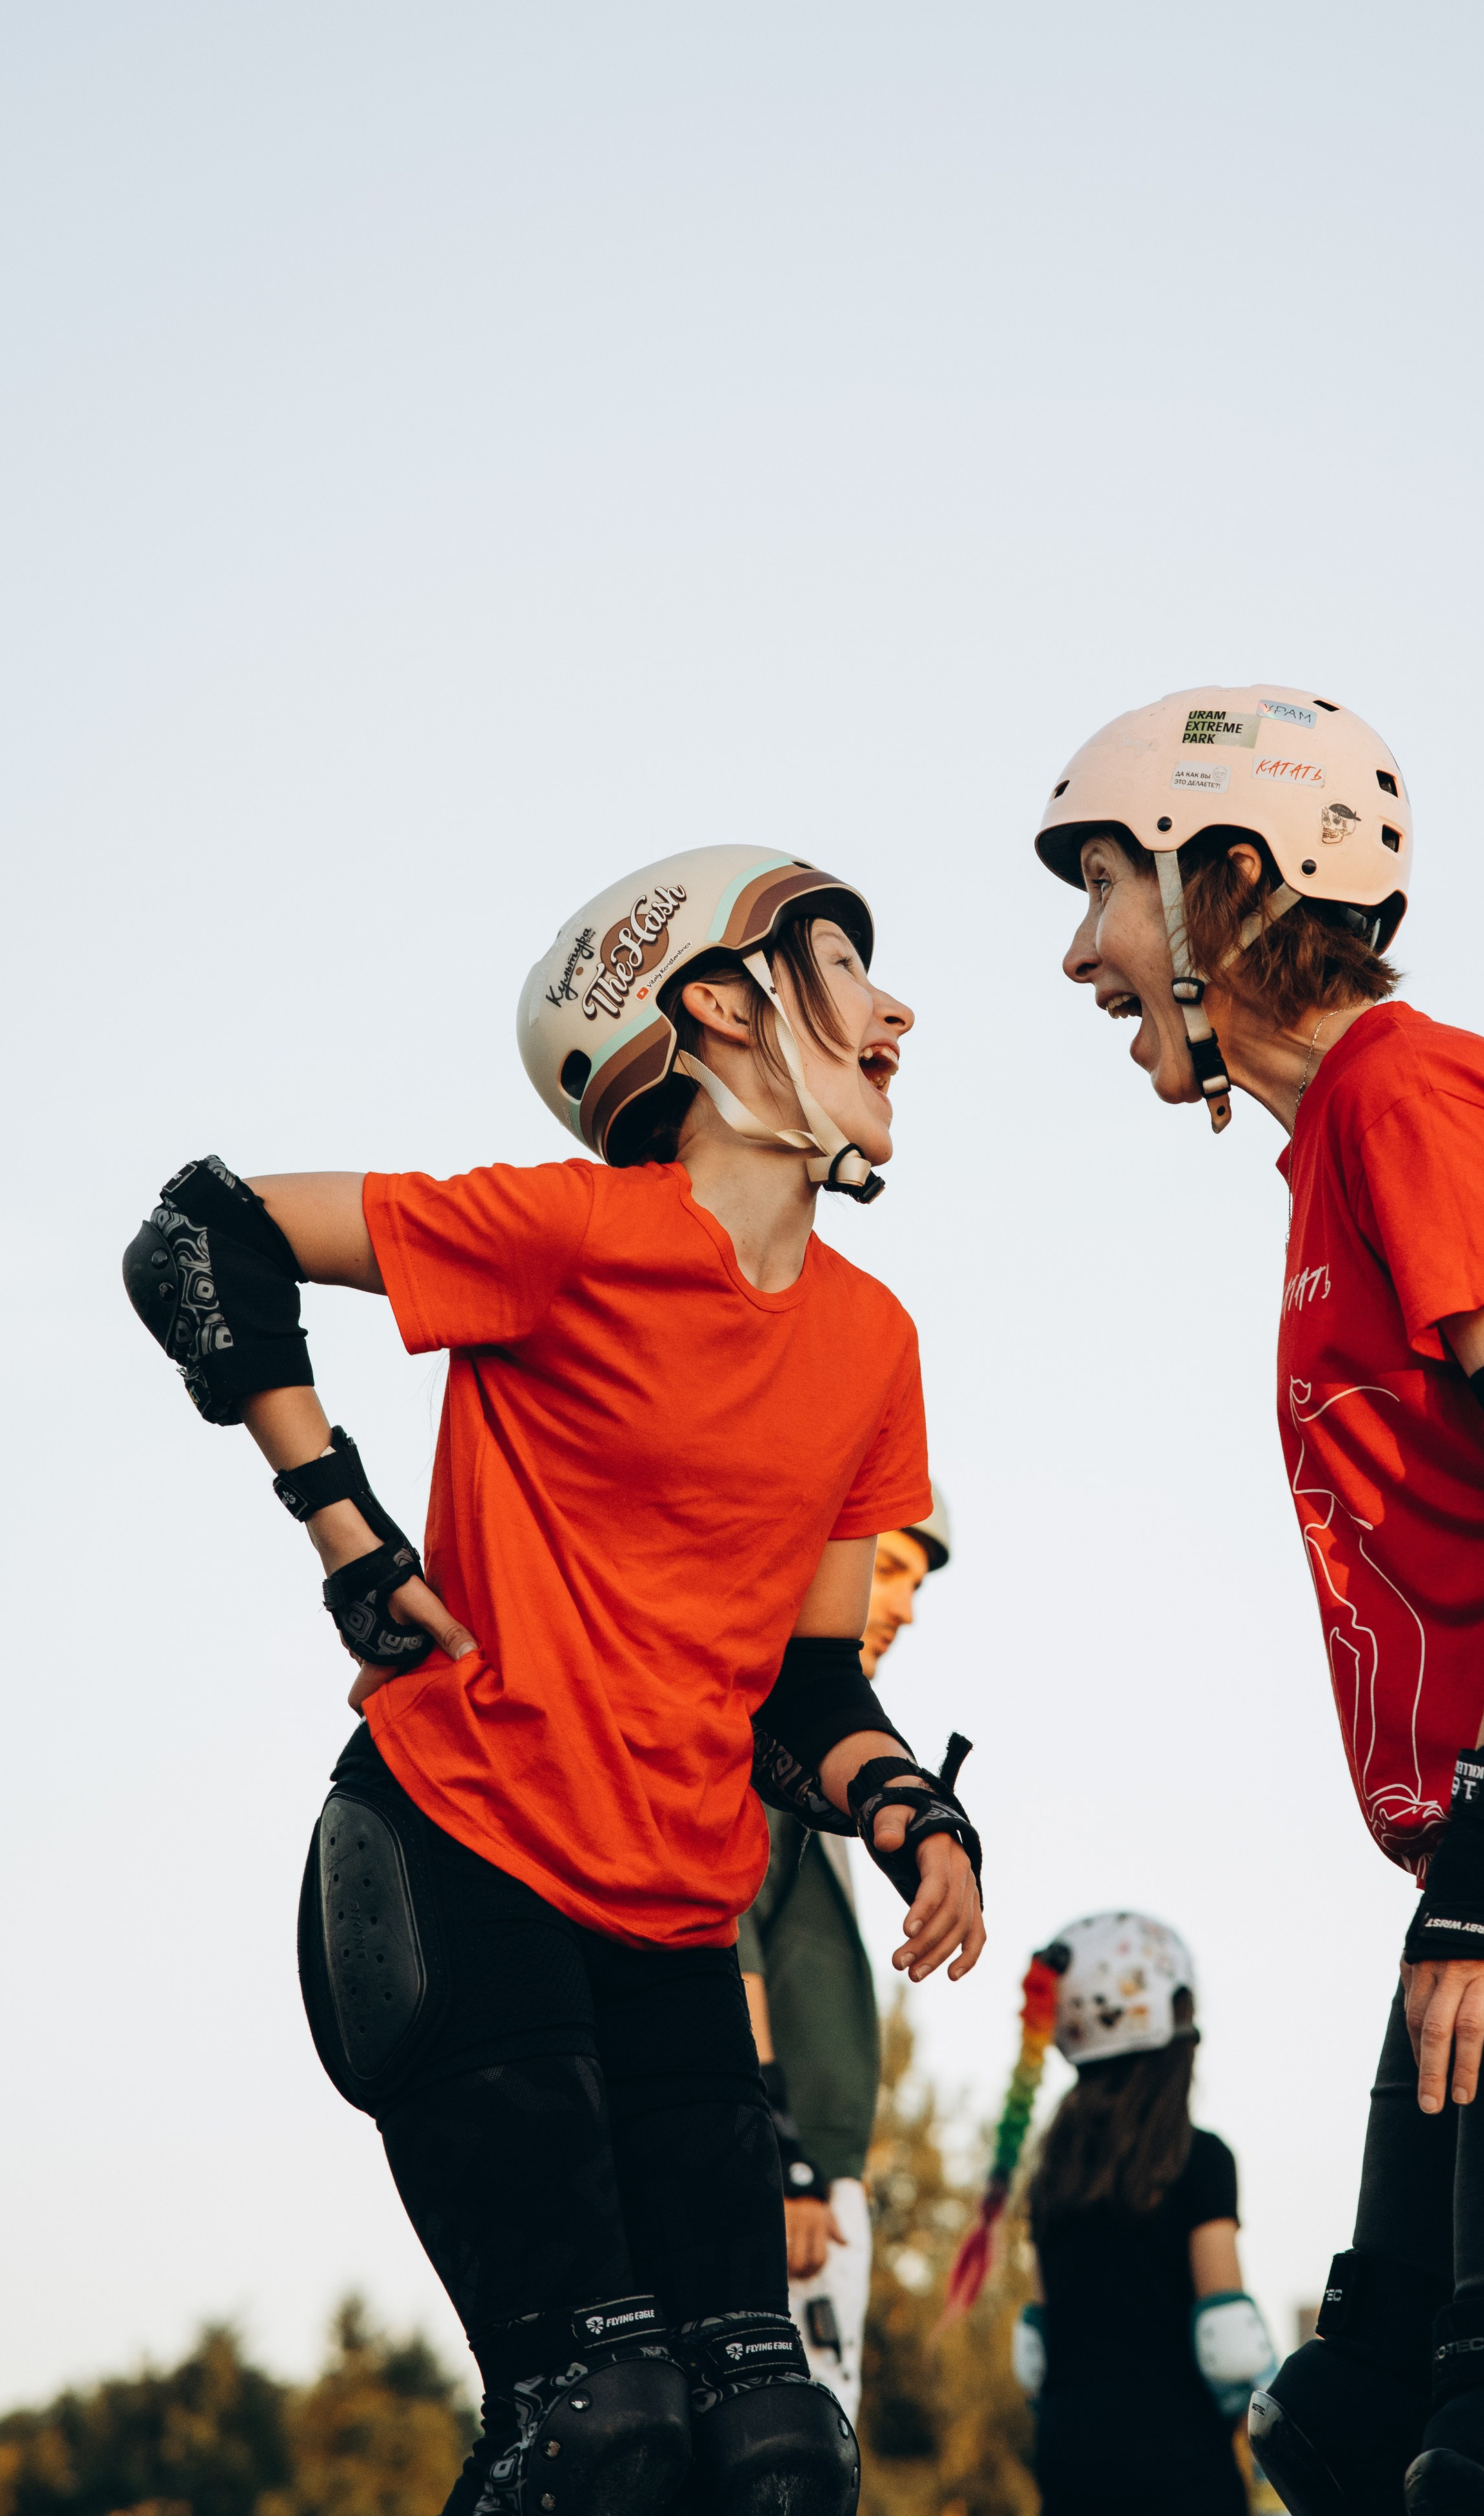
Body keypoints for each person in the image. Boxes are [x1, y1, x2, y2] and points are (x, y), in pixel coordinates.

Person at [121, 843, 986, 2516]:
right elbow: (200, 1236)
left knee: (773, 2450)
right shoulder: (573, 1230)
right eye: (841, 967)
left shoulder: (871, 1342)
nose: (896, 1008)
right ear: (723, 1007)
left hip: (668, 1921)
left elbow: (808, 1693)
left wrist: (910, 1811)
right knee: (598, 2427)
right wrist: (349, 1527)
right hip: (459, 1857)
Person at [1035, 691, 1484, 2516]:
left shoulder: (1408, 1091)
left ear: (1230, 879)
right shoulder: (1333, 1146)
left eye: (1103, 887)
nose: (1076, 955)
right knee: (1349, 2424)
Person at [738, 1490, 954, 2419]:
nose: (905, 1606)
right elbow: (727, 1947)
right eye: (891, 1570)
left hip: (818, 2192)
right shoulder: (762, 1742)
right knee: (782, 2459)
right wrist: (781, 2160)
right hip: (787, 2194)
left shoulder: (827, 1771)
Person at [946, 1914, 1274, 2516]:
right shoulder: (1198, 2158)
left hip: (1070, 2459)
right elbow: (1229, 2343)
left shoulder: (1053, 2168)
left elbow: (1039, 2347)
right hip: (1181, 2463)